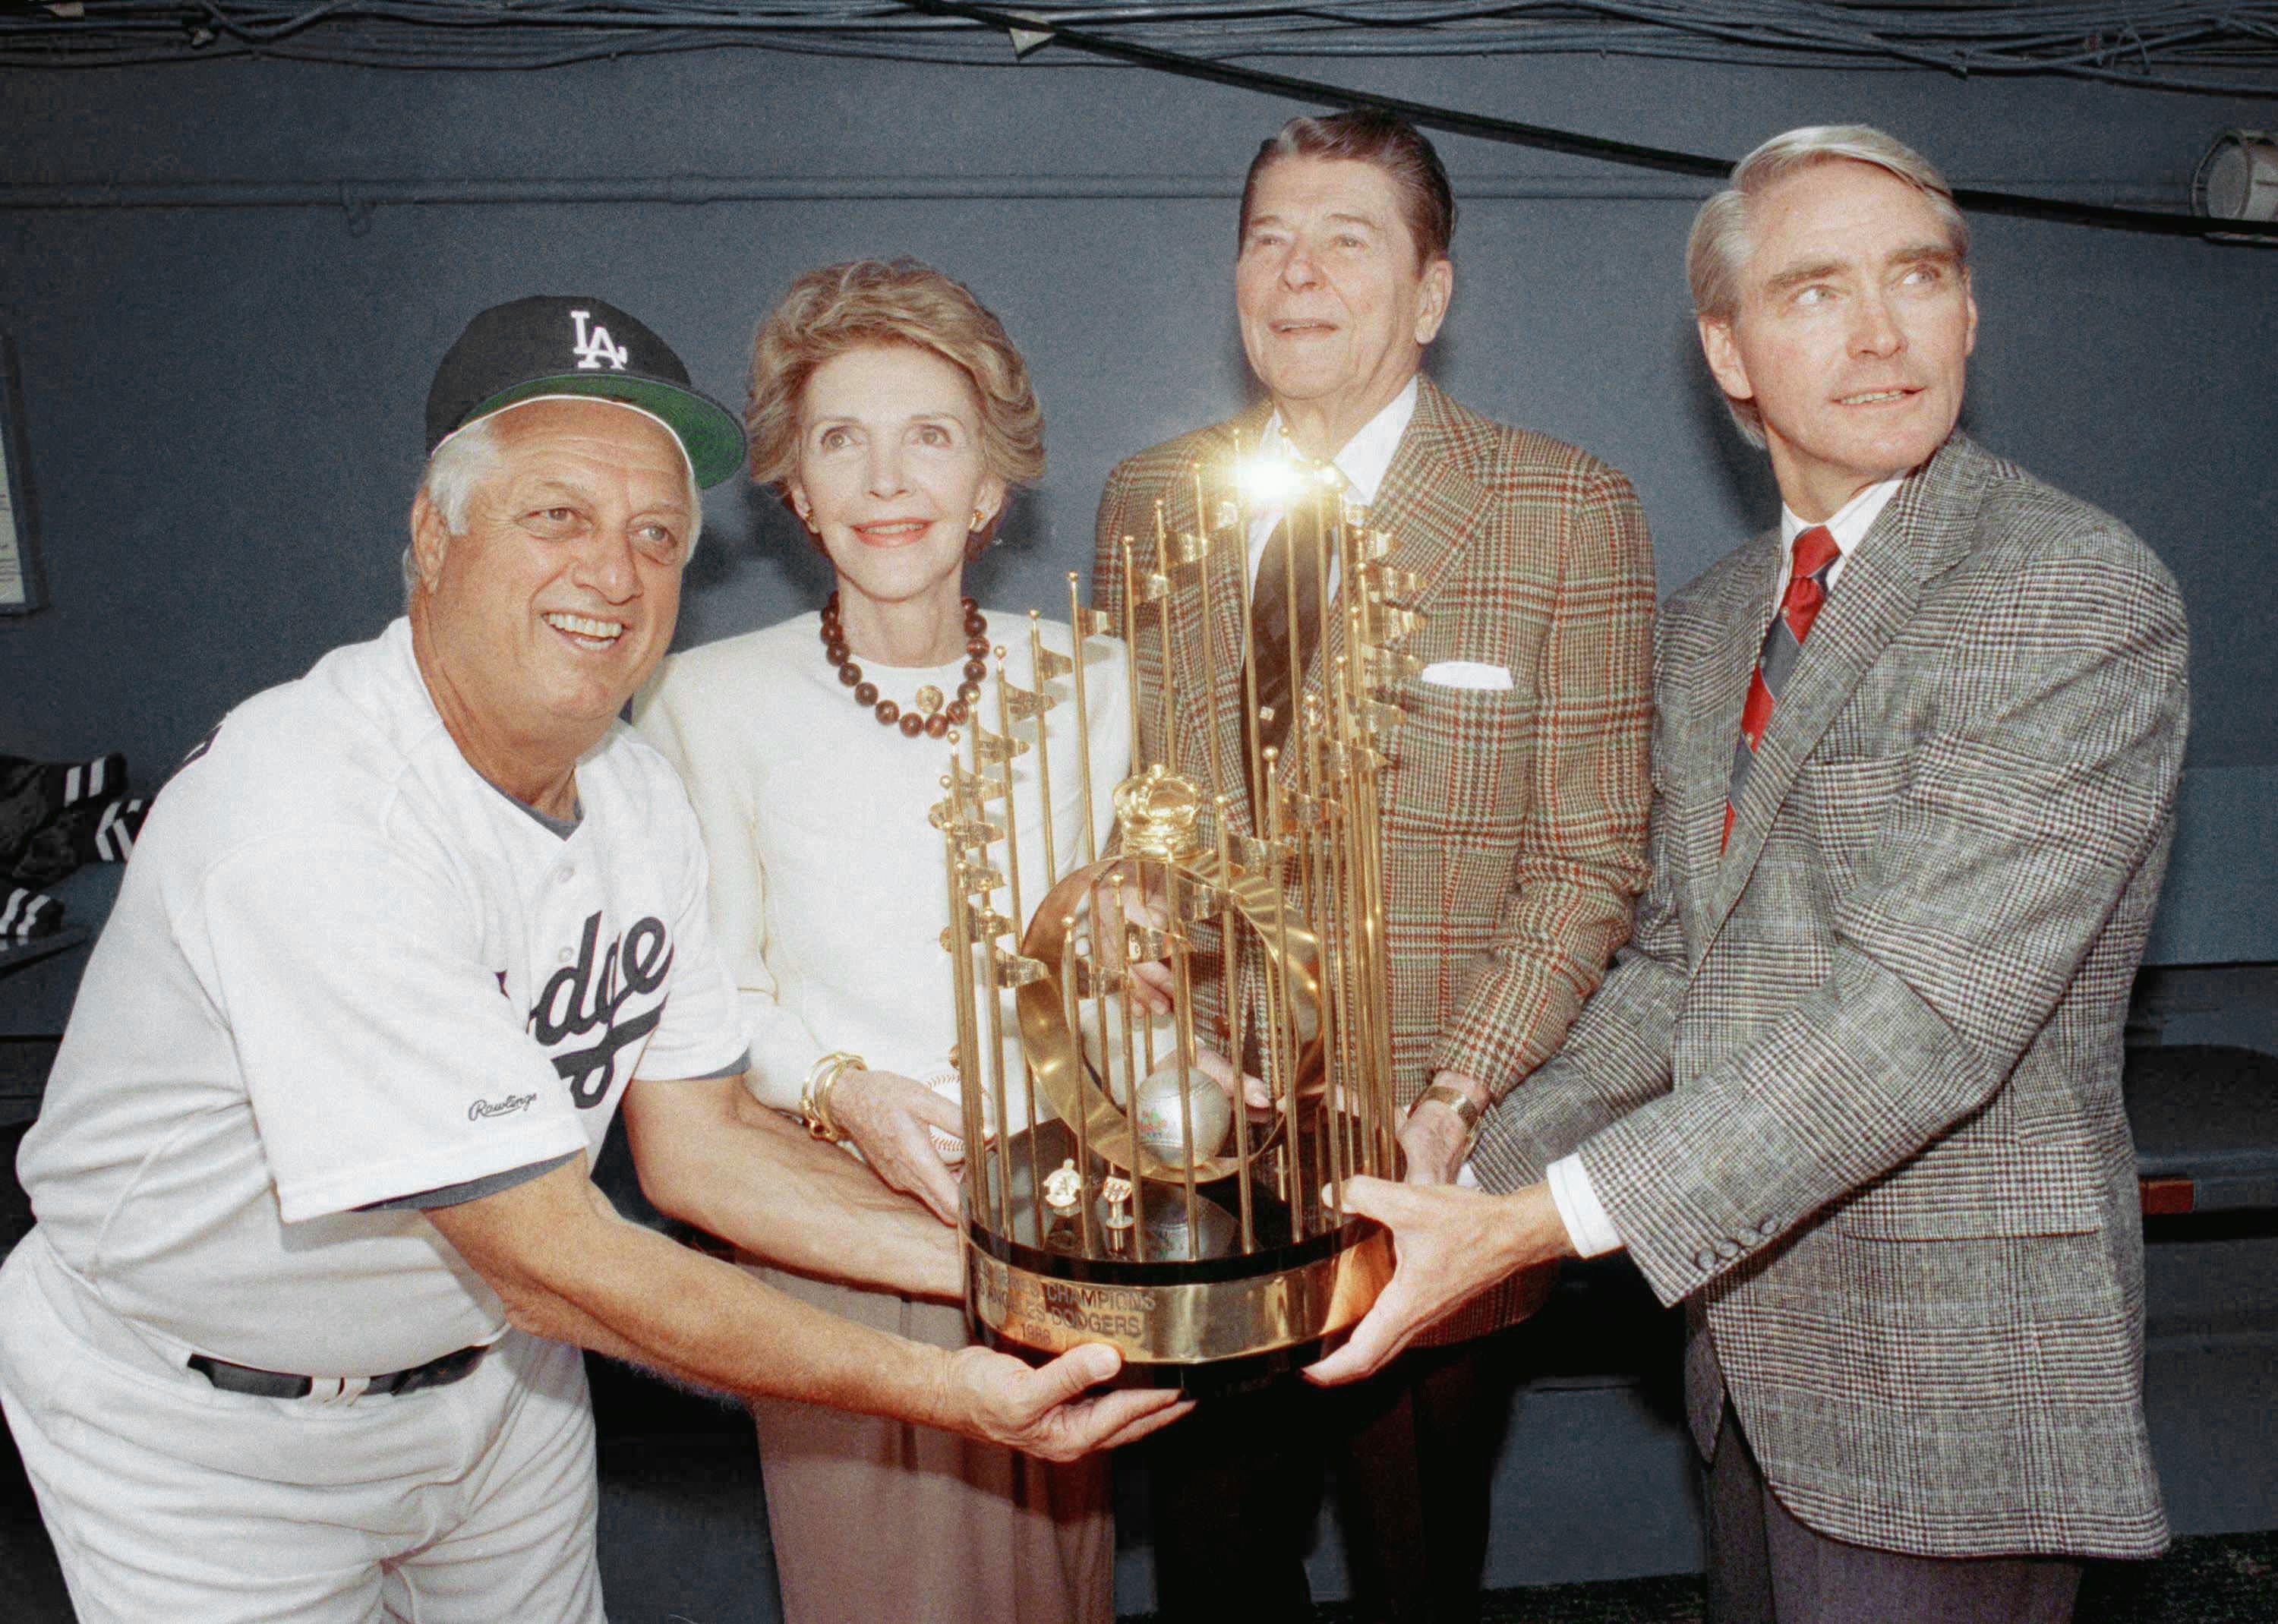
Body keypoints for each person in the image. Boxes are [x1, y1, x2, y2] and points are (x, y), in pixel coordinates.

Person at [0, 294, 1182, 1624]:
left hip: (499, 1380)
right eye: (555, 515)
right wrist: (950, 1384)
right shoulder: (311, 814)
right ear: (434, 536)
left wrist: (1011, 1275)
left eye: (655, 534)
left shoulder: (630, 797)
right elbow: (544, 1247)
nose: (612, 574)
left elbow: (701, 1147)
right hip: (207, 1425)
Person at [1314, 126, 2185, 1622]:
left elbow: (1919, 1017)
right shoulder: (1719, 621)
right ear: (1730, 348)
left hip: (1950, 1393)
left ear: (1970, 313)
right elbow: (1673, 965)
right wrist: (1457, 1140)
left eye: (1922, 279)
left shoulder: (2073, 593)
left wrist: (1531, 1225)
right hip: (1748, 1375)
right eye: (1815, 292)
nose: (1884, 332)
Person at [1095, 111, 1656, 1622]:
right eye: (1268, 236)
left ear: (1429, 294)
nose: (1297, 272)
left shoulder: (1563, 511)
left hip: (1440, 1156)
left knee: (1420, 1561)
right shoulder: (1154, 502)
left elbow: (1591, 853)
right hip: (1204, 1153)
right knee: (1213, 1561)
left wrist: (1458, 1094)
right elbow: (1137, 804)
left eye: (1347, 238)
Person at [633, 258, 1132, 1624]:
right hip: (834, 1226)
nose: (884, 478)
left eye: (930, 435)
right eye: (840, 440)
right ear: (795, 487)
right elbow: (718, 995)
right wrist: (848, 1090)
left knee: (1057, 1592)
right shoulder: (706, 700)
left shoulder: (1098, 681)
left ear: (991, 485)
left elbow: (1121, 963)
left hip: (1061, 1221)